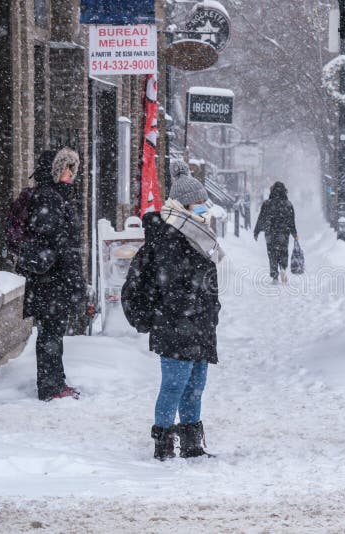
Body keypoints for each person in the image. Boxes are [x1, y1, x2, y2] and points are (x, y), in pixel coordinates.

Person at [122, 160, 223, 461]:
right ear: (183, 207)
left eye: (205, 203)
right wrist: (159, 314)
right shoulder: (164, 240)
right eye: (199, 204)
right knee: (174, 385)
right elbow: (145, 284)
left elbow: (209, 282)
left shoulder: (203, 237)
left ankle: (192, 442)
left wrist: (212, 310)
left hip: (201, 325)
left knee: (196, 386)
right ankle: (163, 443)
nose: (205, 209)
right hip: (175, 325)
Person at [21, 148, 86, 401]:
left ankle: (56, 382)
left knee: (54, 334)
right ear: (56, 170)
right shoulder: (49, 198)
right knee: (50, 335)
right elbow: (56, 241)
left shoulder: (58, 196)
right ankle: (50, 387)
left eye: (73, 168)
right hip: (51, 281)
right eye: (67, 168)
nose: (71, 174)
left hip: (54, 281)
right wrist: (72, 278)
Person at [253, 181, 298, 284]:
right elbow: (291, 222)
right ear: (284, 191)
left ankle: (274, 276)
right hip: (283, 233)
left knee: (272, 253)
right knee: (283, 251)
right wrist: (294, 234)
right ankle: (282, 268)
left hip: (270, 233)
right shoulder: (288, 204)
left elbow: (261, 218)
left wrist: (256, 231)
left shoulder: (266, 204)